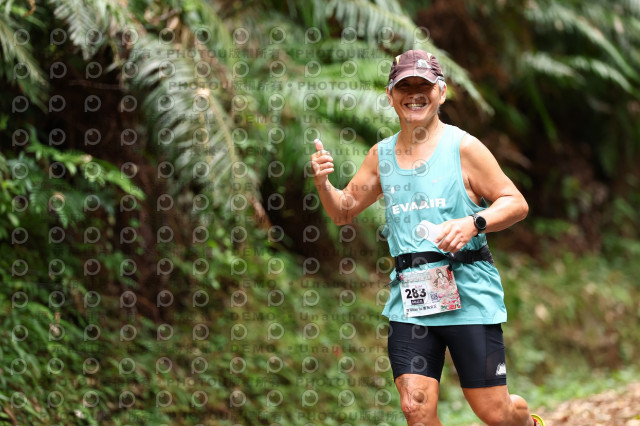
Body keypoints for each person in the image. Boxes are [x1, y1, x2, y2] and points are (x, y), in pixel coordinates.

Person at [310, 49, 545, 426]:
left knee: (495, 413)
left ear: (442, 92)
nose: (414, 94)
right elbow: (343, 210)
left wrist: (474, 223)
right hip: (413, 296)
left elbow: (515, 203)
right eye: (405, 87)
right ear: (390, 96)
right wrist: (323, 183)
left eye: (425, 86)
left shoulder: (463, 148)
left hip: (469, 293)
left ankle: (528, 423)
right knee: (415, 408)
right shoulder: (381, 156)